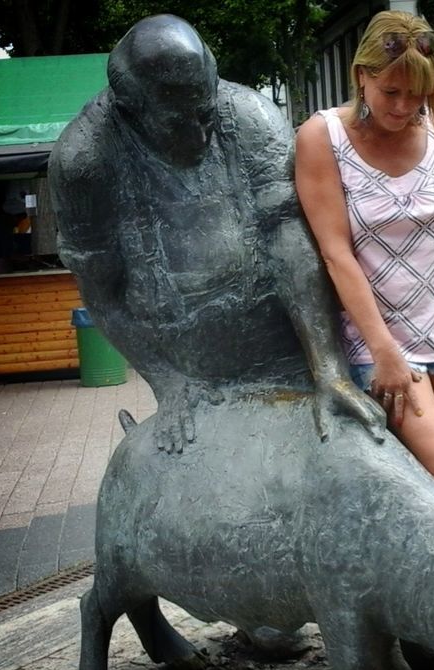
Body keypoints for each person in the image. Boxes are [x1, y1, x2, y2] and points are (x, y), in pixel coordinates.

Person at [293, 10, 434, 670]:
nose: (405, 107)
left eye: (418, 96)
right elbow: (335, 252)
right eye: (391, 94)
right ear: (361, 76)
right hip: (378, 347)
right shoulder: (322, 138)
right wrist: (383, 351)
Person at [51, 14, 381, 453]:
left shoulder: (249, 114)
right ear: (132, 108)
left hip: (285, 353)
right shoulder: (84, 161)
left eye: (205, 111)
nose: (200, 133)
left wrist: (329, 368)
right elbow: (101, 293)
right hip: (190, 376)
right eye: (176, 121)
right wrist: (167, 383)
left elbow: (289, 239)